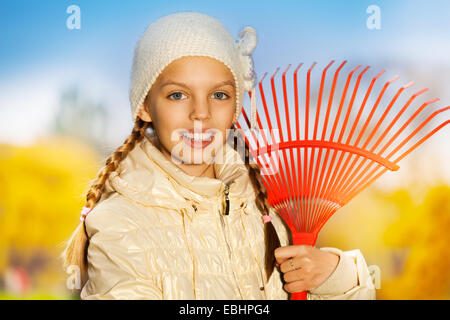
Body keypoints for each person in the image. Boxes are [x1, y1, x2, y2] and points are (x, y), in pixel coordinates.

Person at [62, 11, 376, 300]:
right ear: (144, 106)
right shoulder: (119, 226)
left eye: (219, 95)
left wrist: (336, 276)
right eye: (178, 95)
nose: (201, 114)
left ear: (235, 107)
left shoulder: (267, 208)